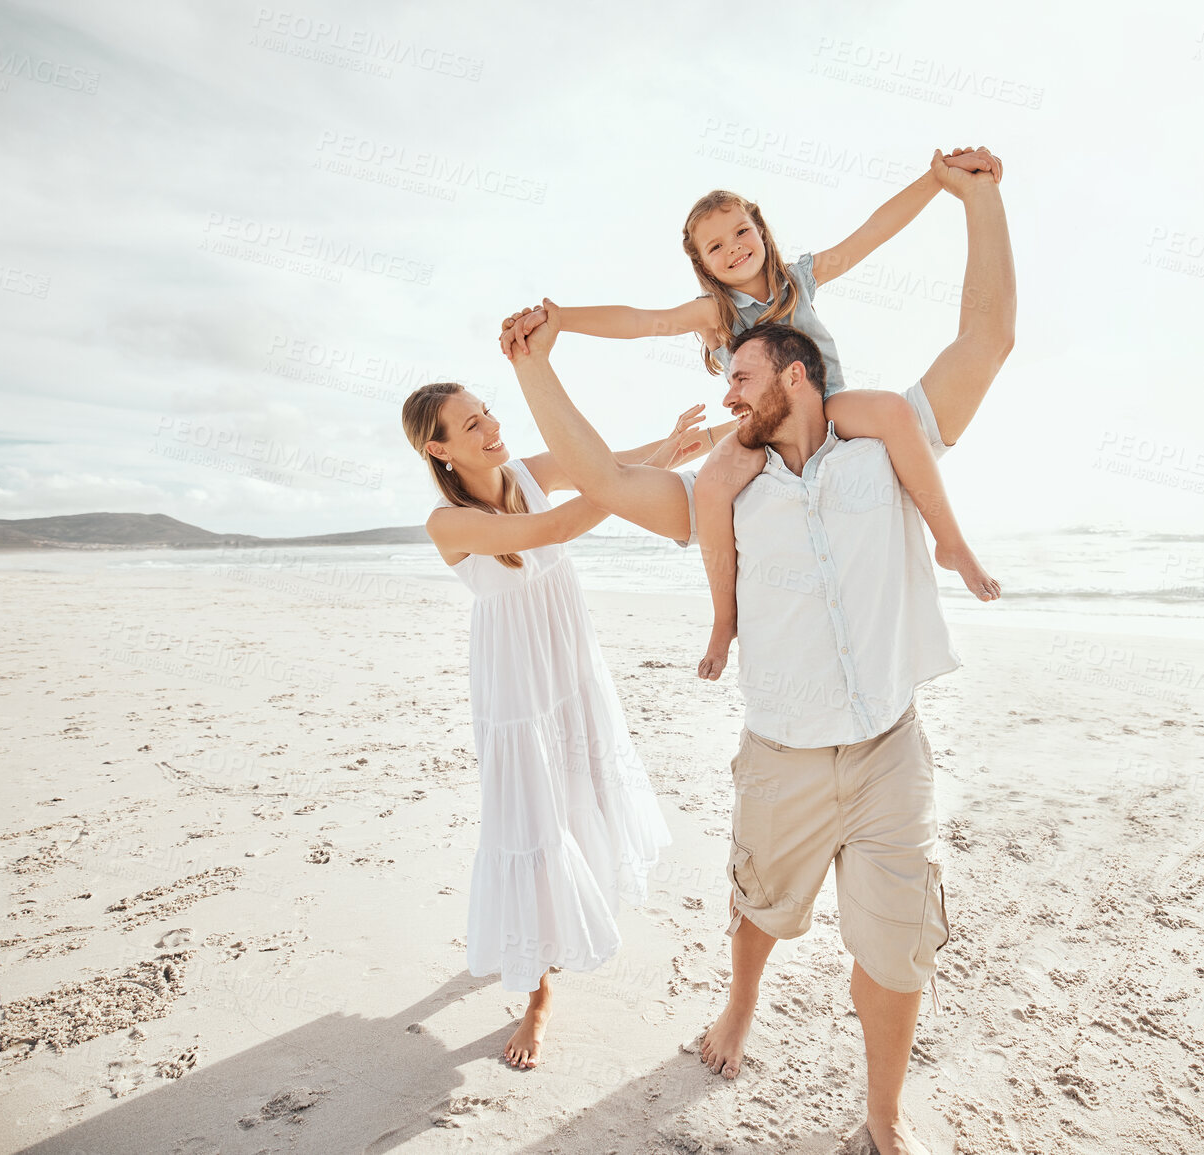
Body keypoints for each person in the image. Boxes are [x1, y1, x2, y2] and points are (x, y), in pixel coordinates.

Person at [496, 148, 1016, 1155]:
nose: (726, 396)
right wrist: (536, 363)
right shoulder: (719, 493)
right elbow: (601, 478)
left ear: (793, 368)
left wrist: (977, 198)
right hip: (780, 749)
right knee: (760, 907)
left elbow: (987, 337)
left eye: (739, 375)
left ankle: (883, 1119)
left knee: (899, 952)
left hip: (889, 749)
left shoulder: (887, 444)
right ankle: (741, 999)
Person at [497, 151, 1003, 682]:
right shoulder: (713, 313)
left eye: (741, 232)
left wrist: (934, 180)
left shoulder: (799, 280)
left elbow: (872, 232)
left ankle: (951, 542)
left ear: (760, 228)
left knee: (895, 412)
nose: (734, 248)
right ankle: (723, 621)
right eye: (715, 246)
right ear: (703, 263)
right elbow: (642, 322)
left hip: (829, 406)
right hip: (761, 431)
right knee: (712, 489)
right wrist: (563, 319)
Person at [402, 383, 727, 1069]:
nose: (491, 424)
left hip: (569, 666)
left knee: (581, 798)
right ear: (439, 448)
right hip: (516, 689)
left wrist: (670, 447)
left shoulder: (526, 471)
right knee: (531, 823)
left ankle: (550, 943)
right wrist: (640, 472)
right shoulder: (446, 521)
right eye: (471, 423)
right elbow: (546, 529)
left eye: (486, 410)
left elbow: (601, 462)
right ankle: (538, 996)